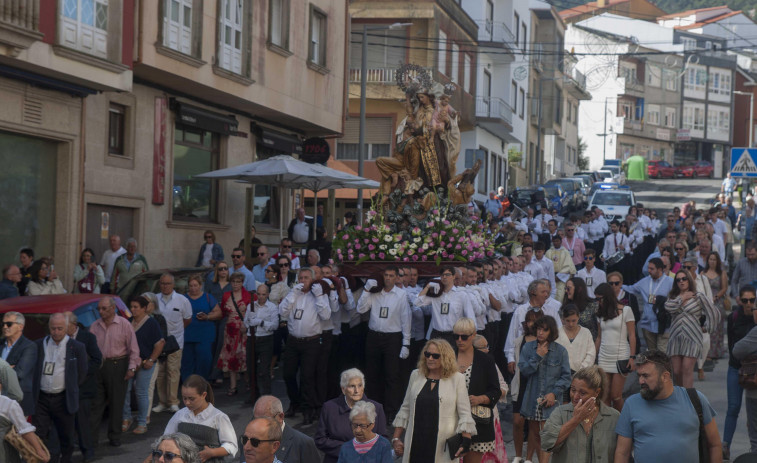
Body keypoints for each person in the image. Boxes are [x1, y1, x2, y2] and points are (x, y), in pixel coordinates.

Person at [614, 350, 722, 462]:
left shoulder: (696, 400)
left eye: (645, 376)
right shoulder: (631, 405)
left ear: (665, 377)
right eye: (639, 376)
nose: (641, 381)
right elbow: (622, 453)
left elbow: (715, 445)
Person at [391, 338, 475, 463]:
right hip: (416, 441)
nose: (430, 358)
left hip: (442, 446)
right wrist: (396, 438)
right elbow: (405, 408)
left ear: (446, 358)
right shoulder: (415, 375)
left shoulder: (457, 379)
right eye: (427, 354)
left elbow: (465, 414)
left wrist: (466, 442)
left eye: (435, 356)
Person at [30, 313, 88, 463]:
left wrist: (70, 388)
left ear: (67, 328)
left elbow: (82, 372)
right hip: (42, 398)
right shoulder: (38, 345)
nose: (56, 332)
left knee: (66, 436)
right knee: (39, 433)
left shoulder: (77, 347)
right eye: (53, 328)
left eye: (60, 329)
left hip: (63, 398)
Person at [356, 267, 411, 420]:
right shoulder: (374, 292)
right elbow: (360, 309)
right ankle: (372, 409)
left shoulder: (401, 295)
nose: (388, 278)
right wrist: (366, 289)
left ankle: (391, 411)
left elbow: (406, 319)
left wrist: (406, 343)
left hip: (393, 338)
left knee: (391, 375)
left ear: (396, 278)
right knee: (372, 374)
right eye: (385, 275)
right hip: (374, 336)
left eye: (391, 275)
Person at [280, 267, 331, 424]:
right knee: (288, 374)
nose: (303, 281)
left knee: (307, 376)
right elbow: (282, 312)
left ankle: (308, 409)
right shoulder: (293, 294)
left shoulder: (318, 295)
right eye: (301, 278)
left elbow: (326, 315)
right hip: (293, 340)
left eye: (306, 278)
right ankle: (295, 403)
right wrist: (292, 295)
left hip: (312, 341)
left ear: (313, 279)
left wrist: (320, 296)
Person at [518, 315, 571, 463]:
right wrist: (537, 356)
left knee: (548, 437)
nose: (541, 332)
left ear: (551, 332)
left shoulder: (561, 351)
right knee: (535, 435)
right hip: (533, 399)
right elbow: (524, 371)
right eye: (539, 329)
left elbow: (566, 377)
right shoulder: (528, 348)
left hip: (552, 401)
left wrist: (554, 393)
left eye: (545, 330)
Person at [89, 296, 140, 447]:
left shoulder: (124, 324)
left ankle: (115, 435)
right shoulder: (95, 326)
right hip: (100, 366)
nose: (100, 311)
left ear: (112, 308)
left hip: (118, 365)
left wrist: (131, 368)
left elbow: (134, 349)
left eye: (104, 308)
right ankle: (91, 438)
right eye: (99, 309)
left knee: (117, 403)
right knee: (96, 404)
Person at [541, 365, 620, 463]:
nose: (575, 396)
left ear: (597, 392)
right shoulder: (560, 413)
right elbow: (546, 443)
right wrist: (576, 420)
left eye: (582, 393)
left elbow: (621, 453)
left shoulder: (613, 417)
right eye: (573, 390)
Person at [314, 368, 388, 463]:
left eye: (360, 385)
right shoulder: (329, 408)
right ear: (343, 389)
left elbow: (383, 441)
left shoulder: (377, 408)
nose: (357, 390)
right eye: (352, 386)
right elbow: (320, 439)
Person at [453, 318, 501, 463]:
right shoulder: (448, 357)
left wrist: (480, 399)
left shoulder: (485, 360)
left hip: (476, 422)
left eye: (464, 337)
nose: (460, 340)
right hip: (450, 419)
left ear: (473, 335)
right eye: (456, 336)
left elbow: (496, 391)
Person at [665, 269, 720, 388]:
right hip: (675, 338)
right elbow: (668, 307)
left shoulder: (698, 296)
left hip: (692, 337)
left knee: (687, 369)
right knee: (676, 371)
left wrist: (707, 328)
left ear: (689, 280)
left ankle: (689, 399)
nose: (681, 281)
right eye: (678, 280)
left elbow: (713, 313)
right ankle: (680, 395)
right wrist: (683, 298)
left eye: (684, 279)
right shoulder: (673, 296)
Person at [163, 375, 237, 461]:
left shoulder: (219, 417)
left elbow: (231, 445)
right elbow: (166, 438)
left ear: (204, 395)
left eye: (191, 399)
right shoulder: (180, 414)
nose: (187, 402)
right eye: (184, 398)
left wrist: (212, 452)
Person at [723, 285, 757, 460]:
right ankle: (725, 445)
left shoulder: (756, 319)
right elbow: (732, 347)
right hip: (736, 368)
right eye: (745, 300)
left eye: (752, 300)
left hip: (754, 372)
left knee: (753, 411)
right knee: (733, 407)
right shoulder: (734, 317)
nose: (749, 304)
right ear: (740, 300)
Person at [123, 296, 165, 435]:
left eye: (136, 307)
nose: (133, 310)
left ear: (144, 308)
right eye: (132, 307)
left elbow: (159, 344)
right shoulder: (129, 322)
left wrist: (151, 360)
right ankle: (126, 418)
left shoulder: (151, 323)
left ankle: (142, 422)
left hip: (145, 363)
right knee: (125, 391)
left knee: (141, 392)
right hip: (130, 363)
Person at [153, 274, 192, 414]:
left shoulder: (182, 300)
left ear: (173, 284)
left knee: (173, 372)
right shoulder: (155, 299)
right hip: (159, 342)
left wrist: (177, 330)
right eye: (163, 283)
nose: (165, 286)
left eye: (168, 283)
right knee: (161, 373)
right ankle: (162, 402)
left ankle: (173, 402)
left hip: (175, 341)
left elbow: (187, 319)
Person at [65, 311, 102, 462]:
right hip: (65, 389)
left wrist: (82, 375)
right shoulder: (59, 340)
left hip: (83, 388)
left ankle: (87, 451)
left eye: (63, 326)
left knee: (82, 422)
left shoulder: (88, 338)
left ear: (73, 325)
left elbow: (96, 359)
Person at [594, 283, 636, 411]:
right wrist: (592, 356)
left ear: (607, 297)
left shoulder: (626, 310)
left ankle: (623, 424)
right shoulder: (600, 314)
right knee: (604, 396)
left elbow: (632, 335)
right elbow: (599, 337)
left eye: (600, 298)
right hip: (604, 356)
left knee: (616, 395)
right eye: (596, 299)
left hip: (621, 355)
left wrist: (632, 357)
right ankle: (608, 426)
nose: (598, 302)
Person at [622, 258, 674, 352]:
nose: (648, 271)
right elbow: (630, 289)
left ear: (659, 269)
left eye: (651, 269)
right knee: (652, 353)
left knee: (662, 354)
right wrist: (615, 285)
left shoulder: (670, 282)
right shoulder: (644, 281)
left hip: (663, 324)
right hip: (648, 324)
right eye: (648, 268)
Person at [249, 395, 321, 463]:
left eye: (265, 420)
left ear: (280, 417)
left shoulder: (303, 444)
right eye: (256, 420)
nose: (259, 425)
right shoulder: (246, 441)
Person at [415, 266, 476, 345]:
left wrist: (472, 337)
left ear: (454, 276)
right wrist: (428, 286)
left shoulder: (462, 295)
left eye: (448, 275)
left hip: (454, 335)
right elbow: (417, 303)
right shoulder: (436, 294)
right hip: (437, 334)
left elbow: (471, 317)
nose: (444, 277)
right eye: (442, 275)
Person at [0, 378, 49, 463]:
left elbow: (25, 430)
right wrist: (39, 450)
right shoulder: (9, 404)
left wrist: (39, 450)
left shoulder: (8, 404)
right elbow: (25, 430)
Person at [217, 272, 251, 396]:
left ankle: (248, 383)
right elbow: (223, 311)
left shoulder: (248, 296)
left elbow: (253, 312)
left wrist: (245, 324)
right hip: (230, 331)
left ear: (242, 283)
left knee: (244, 356)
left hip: (244, 331)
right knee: (231, 357)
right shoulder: (226, 295)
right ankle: (233, 386)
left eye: (238, 282)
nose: (236, 284)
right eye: (233, 282)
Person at [183, 275, 221, 381]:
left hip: (204, 335)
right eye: (191, 286)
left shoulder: (208, 297)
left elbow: (218, 313)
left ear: (200, 286)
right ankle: (188, 383)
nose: (193, 288)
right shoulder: (183, 298)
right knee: (187, 362)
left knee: (204, 360)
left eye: (195, 285)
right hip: (187, 335)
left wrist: (207, 317)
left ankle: (202, 382)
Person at [245, 284, 279, 396]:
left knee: (264, 370)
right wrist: (250, 321)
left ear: (268, 294)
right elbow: (246, 322)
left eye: (263, 294)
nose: (260, 297)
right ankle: (254, 394)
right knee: (251, 369)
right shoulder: (251, 305)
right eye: (258, 294)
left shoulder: (272, 307)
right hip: (252, 338)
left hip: (266, 339)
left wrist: (260, 322)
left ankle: (267, 396)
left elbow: (275, 325)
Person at [1, 311, 37, 416]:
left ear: (20, 327)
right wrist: (9, 368)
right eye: (2, 324)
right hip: (1, 402)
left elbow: (20, 373)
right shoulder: (1, 344)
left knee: (16, 432)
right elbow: (12, 372)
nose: (4, 327)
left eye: (9, 324)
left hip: (18, 403)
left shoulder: (29, 346)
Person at [556, 305, 596, 389]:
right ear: (563, 319)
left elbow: (591, 354)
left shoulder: (586, 332)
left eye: (574, 321)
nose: (571, 324)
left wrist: (581, 371)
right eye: (568, 321)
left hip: (582, 376)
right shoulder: (557, 333)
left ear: (578, 317)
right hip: (560, 376)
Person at [702, 251, 728, 363]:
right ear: (707, 261)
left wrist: (715, 297)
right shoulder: (703, 273)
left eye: (714, 259)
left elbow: (724, 288)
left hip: (717, 303)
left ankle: (717, 351)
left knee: (718, 328)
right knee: (708, 328)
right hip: (706, 302)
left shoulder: (722, 273)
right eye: (710, 259)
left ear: (717, 261)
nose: (712, 261)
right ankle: (707, 352)